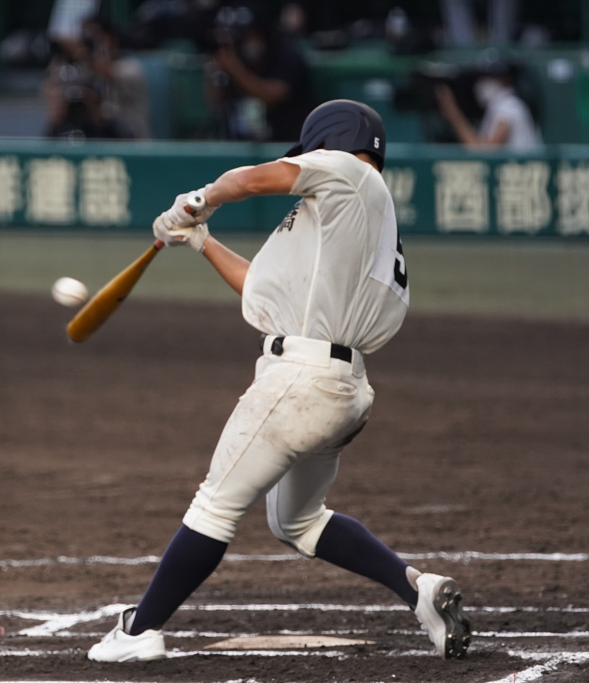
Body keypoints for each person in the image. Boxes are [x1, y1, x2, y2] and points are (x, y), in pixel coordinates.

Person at [86, 100, 473, 663]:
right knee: (298, 520)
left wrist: (199, 198)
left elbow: (249, 179)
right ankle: (418, 590)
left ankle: (139, 631)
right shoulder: (351, 221)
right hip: (339, 387)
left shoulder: (349, 171)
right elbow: (267, 296)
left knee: (215, 505)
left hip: (299, 380)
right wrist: (200, 240)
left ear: (331, 141)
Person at [204, 3, 311, 142]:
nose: (247, 40)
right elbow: (215, 103)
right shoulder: (239, 54)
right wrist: (213, 73)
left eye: (252, 35)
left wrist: (234, 69)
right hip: (241, 142)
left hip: (285, 144)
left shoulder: (287, 55)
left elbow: (272, 95)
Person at [435, 61, 541, 150]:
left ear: (505, 80)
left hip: (522, 172)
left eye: (491, 77)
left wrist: (453, 114)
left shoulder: (508, 105)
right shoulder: (502, 104)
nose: (484, 82)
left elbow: (485, 153)